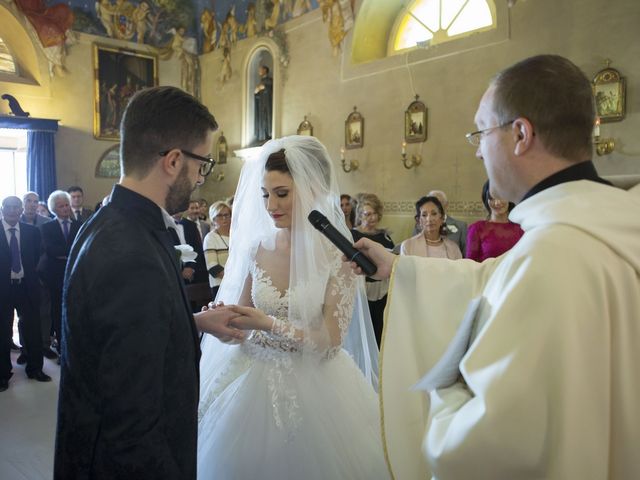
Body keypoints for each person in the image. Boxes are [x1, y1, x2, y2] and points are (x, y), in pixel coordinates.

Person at [349, 55, 640, 479]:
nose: (479, 149)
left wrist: (446, 392)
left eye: (481, 132)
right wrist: (398, 267)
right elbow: (491, 276)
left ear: (521, 134)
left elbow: (480, 447)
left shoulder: (551, 257)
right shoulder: (610, 226)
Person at [54, 86, 246, 480]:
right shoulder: (132, 255)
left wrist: (192, 322)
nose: (199, 178)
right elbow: (133, 429)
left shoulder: (109, 221)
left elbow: (120, 341)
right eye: (201, 165)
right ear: (174, 161)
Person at [197, 136, 386, 479]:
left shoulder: (337, 255)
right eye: (265, 195)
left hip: (315, 384)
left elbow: (330, 339)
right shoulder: (257, 248)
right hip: (251, 378)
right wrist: (223, 319)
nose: (271, 206)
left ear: (313, 188)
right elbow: (241, 320)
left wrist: (268, 323)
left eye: (282, 194)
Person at [1, 196, 51, 393]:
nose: (13, 211)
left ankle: (35, 369)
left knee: (33, 330)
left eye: (16, 207)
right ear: (2, 209)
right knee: (2, 332)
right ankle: (3, 374)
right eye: (9, 207)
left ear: (22, 210)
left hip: (26, 287)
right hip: (3, 288)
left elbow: (37, 256)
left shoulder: (32, 232)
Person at [351, 194, 394, 347]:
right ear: (360, 215)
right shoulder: (353, 235)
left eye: (374, 213)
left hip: (381, 289)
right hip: (360, 287)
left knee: (379, 326)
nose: (372, 217)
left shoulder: (384, 237)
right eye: (368, 214)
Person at [40, 190, 80, 352]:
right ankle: (61, 346)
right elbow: (51, 250)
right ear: (54, 209)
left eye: (66, 205)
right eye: (60, 206)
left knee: (74, 310)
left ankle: (73, 345)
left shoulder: (79, 225)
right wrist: (67, 251)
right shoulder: (47, 227)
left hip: (74, 273)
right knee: (56, 310)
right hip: (54, 276)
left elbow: (80, 248)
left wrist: (65, 253)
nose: (65, 208)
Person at [466, 180, 523, 261]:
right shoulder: (477, 229)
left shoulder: (520, 229)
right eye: (492, 198)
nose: (497, 203)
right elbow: (470, 264)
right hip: (488, 273)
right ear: (486, 200)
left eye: (501, 197)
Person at [202, 201, 231, 299]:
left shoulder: (236, 236)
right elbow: (212, 267)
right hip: (221, 285)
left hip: (241, 284)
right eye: (219, 215)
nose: (224, 218)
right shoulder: (210, 238)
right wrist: (234, 279)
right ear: (213, 218)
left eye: (226, 215)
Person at [254, 65, 273, 144]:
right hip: (261, 104)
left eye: (260, 69)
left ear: (265, 70)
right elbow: (257, 94)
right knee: (261, 119)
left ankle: (268, 135)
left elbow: (269, 88)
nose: (259, 71)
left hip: (267, 103)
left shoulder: (269, 80)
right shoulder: (261, 82)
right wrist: (256, 93)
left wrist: (263, 87)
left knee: (266, 118)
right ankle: (262, 136)